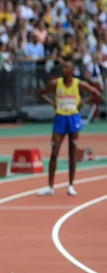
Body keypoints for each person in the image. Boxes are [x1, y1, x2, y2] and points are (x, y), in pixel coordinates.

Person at [37, 60, 101, 196]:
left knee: (72, 153)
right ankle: (50, 186)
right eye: (63, 68)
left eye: (67, 68)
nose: (64, 70)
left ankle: (71, 185)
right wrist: (52, 103)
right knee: (54, 153)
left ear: (72, 70)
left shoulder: (78, 84)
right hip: (60, 119)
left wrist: (82, 102)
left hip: (73, 119)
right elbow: (41, 92)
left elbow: (96, 94)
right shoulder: (56, 83)